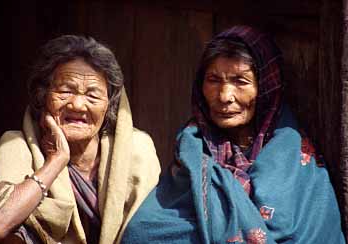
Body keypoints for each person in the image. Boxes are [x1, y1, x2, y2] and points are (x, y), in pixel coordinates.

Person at [121, 26, 345, 243]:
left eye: (241, 81)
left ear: (266, 88)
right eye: (214, 80)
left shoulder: (297, 162)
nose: (225, 95)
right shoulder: (192, 152)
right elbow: (144, 232)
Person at [0, 35, 161, 244]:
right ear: (43, 97)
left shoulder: (138, 149)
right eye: (65, 91)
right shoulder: (18, 146)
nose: (78, 105)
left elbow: (156, 229)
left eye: (92, 95)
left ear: (110, 105)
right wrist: (56, 160)